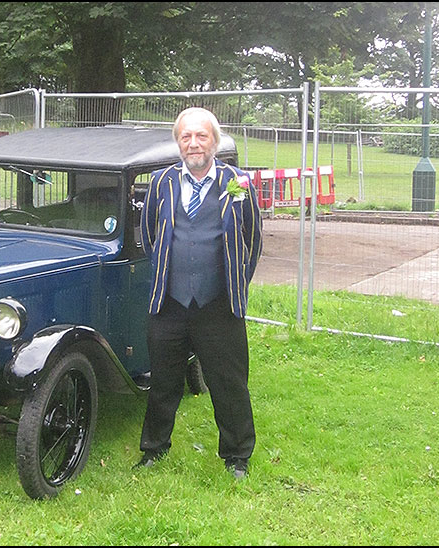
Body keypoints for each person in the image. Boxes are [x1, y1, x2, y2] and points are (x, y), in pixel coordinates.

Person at [134, 107, 263, 479]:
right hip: (169, 302)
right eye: (186, 137)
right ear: (178, 143)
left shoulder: (237, 182)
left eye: (201, 136)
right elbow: (149, 237)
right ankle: (154, 449)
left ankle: (237, 455)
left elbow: (252, 241)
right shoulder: (160, 182)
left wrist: (234, 284)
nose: (193, 143)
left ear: (214, 141)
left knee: (229, 383)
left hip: (218, 304)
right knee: (163, 381)